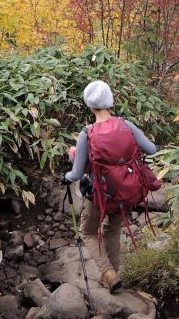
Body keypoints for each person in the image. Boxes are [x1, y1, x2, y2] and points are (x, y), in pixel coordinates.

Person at [62, 80, 157, 293]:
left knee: (88, 231)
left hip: (99, 194)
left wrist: (67, 176)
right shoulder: (127, 125)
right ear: (110, 101)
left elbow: (76, 173)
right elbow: (151, 149)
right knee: (112, 231)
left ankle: (107, 273)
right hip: (125, 191)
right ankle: (113, 276)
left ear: (89, 105)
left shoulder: (87, 134)